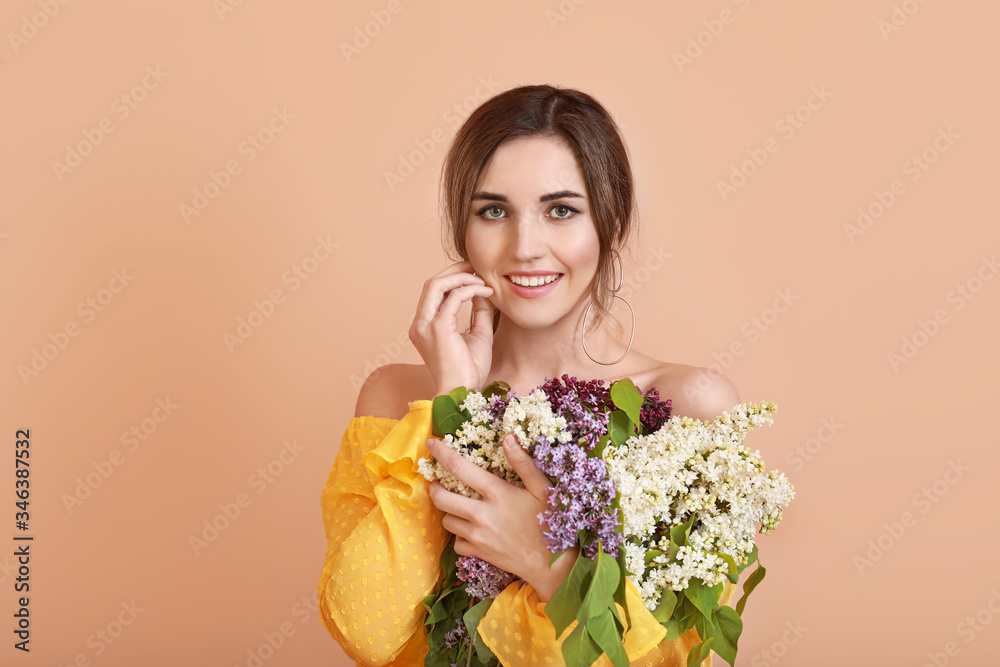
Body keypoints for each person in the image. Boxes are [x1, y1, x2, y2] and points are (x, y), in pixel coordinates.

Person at [318, 84, 740, 666]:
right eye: (493, 211)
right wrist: (452, 404)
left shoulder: (685, 405)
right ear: (461, 230)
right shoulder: (397, 398)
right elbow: (366, 632)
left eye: (561, 210)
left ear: (609, 223)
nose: (524, 247)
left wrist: (550, 561)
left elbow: (666, 660)